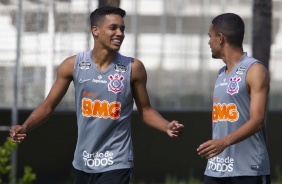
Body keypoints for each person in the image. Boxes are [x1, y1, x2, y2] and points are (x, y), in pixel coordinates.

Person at [9, 6, 184, 184]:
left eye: (122, 29)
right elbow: (48, 106)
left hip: (116, 161)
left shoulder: (133, 68)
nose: (120, 33)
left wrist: (166, 126)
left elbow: (145, 109)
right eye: (113, 27)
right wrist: (25, 127)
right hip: (83, 161)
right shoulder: (72, 65)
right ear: (95, 30)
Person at [197, 13, 270, 184]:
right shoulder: (221, 73)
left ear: (220, 38)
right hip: (216, 169)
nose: (209, 42)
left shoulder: (254, 69)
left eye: (210, 37)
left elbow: (258, 120)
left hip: (248, 171)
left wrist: (223, 142)